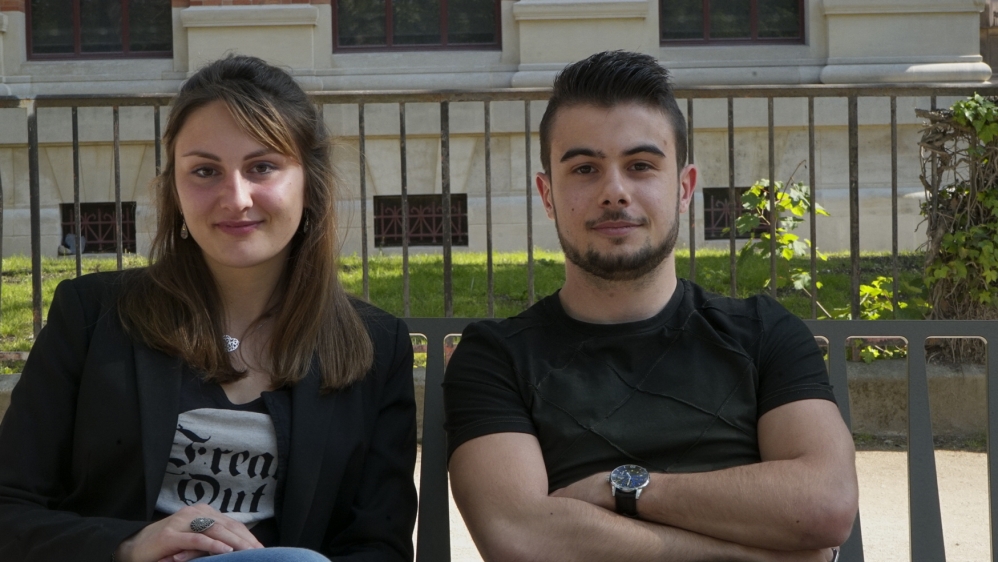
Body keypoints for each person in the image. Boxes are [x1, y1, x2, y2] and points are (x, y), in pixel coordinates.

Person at [443, 51, 858, 562]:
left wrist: (617, 490)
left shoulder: (763, 332)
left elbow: (825, 503)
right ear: (547, 194)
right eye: (585, 169)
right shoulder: (495, 358)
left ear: (683, 188)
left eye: (640, 166)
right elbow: (521, 537)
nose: (614, 192)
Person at [0, 56, 417, 562]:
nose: (235, 197)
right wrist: (128, 545)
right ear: (174, 189)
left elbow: (379, 546)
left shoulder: (376, 347)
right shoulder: (90, 317)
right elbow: (10, 509)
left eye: (262, 167)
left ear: (309, 183)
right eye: (205, 171)